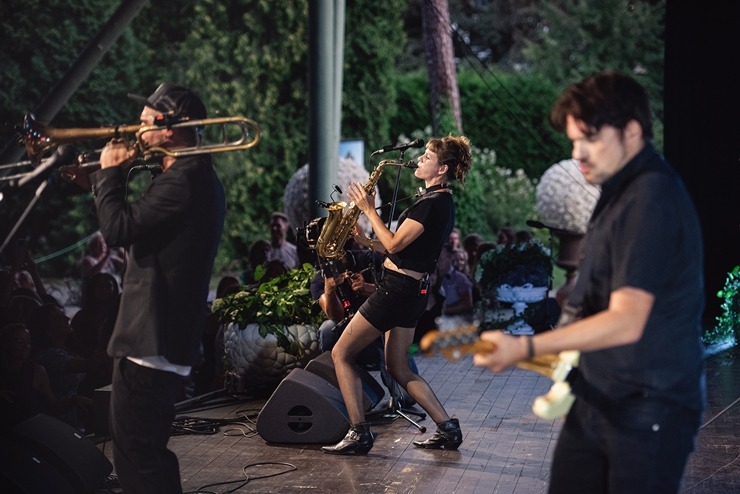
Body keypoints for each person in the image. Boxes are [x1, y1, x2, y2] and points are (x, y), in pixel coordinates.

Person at [473, 71, 706, 494]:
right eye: (573, 140)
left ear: (632, 131)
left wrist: (524, 347)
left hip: (648, 406)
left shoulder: (651, 197)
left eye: (590, 138)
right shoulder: (618, 191)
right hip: (598, 395)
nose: (578, 153)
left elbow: (627, 321)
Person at [85, 83, 225, 493]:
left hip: (154, 338)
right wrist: (97, 184)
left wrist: (109, 173)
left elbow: (117, 229)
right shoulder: (189, 175)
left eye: (145, 123)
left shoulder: (185, 177)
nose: (137, 131)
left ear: (170, 130)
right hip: (159, 335)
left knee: (136, 455)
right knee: (144, 452)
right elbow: (138, 225)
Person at [322, 135, 472, 456]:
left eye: (427, 157)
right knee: (398, 367)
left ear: (442, 168)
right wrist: (364, 240)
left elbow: (392, 245)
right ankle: (447, 427)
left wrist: (368, 209)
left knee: (341, 353)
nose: (419, 160)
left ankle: (359, 431)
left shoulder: (432, 204)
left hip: (397, 291)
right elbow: (398, 250)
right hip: (410, 289)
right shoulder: (439, 202)